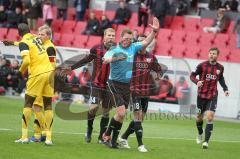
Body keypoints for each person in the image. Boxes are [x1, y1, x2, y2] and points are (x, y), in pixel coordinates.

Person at [102, 17, 159, 149]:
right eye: (125, 38)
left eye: (129, 38)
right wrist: (113, 59)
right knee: (121, 113)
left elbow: (146, 41)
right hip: (114, 83)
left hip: (127, 86)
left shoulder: (133, 47)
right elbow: (106, 58)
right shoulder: (115, 49)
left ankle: (111, 139)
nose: (127, 40)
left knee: (121, 115)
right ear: (121, 38)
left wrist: (154, 31)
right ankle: (109, 136)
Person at [61, 28, 116, 144]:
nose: (111, 37)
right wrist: (71, 68)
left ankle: (101, 136)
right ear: (104, 36)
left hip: (109, 86)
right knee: (93, 109)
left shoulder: (117, 50)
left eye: (113, 35)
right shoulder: (96, 49)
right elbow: (85, 60)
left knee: (106, 111)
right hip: (96, 83)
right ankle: (89, 129)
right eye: (109, 35)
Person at [118, 34, 163, 152]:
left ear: (147, 43)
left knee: (140, 119)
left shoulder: (151, 57)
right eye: (138, 42)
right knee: (137, 116)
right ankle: (140, 145)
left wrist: (159, 75)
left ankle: (123, 137)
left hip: (146, 92)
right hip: (134, 90)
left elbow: (158, 69)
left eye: (143, 42)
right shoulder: (131, 56)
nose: (141, 44)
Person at [11, 23, 54, 145]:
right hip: (49, 73)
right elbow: (29, 44)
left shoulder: (24, 42)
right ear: (30, 30)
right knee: (48, 105)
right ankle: (48, 138)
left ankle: (24, 136)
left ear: (19, 33)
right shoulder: (36, 37)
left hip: (37, 74)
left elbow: (27, 60)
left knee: (28, 103)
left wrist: (20, 72)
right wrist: (13, 43)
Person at [190, 47, 229, 149]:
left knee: (210, 116)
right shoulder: (202, 65)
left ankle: (206, 142)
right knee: (199, 118)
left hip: (212, 96)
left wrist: (225, 89)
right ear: (208, 54)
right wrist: (196, 82)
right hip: (201, 96)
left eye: (214, 53)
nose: (212, 55)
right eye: (210, 53)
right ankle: (200, 132)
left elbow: (221, 79)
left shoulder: (220, 68)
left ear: (217, 55)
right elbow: (192, 75)